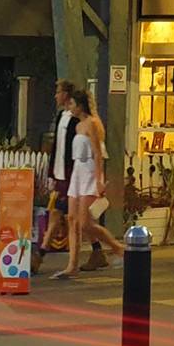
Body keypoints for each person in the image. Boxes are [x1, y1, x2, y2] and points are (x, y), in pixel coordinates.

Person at [55, 89, 123, 277]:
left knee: (85, 222)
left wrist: (99, 179)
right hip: (77, 170)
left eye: (72, 104)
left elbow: (98, 153)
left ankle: (118, 248)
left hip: (89, 170)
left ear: (80, 105)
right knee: (72, 219)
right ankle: (72, 265)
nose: (69, 107)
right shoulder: (78, 126)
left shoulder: (93, 124)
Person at [36, 80, 81, 269]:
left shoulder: (78, 119)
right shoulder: (62, 115)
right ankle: (96, 250)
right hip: (61, 173)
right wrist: (52, 172)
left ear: (67, 95)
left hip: (72, 173)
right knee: (63, 214)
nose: (56, 96)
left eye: (58, 92)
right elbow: (58, 146)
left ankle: (41, 255)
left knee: (67, 216)